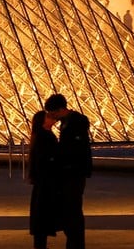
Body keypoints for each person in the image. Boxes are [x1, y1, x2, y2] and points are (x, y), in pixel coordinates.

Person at [45, 94, 91, 249]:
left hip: (74, 173)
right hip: (72, 172)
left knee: (73, 210)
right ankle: (74, 242)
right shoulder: (68, 121)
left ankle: (76, 244)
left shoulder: (76, 121)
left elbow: (75, 148)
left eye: (53, 113)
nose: (52, 117)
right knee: (71, 210)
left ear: (60, 109)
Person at [28, 110, 60, 249]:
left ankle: (40, 244)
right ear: (42, 121)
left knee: (42, 217)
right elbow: (46, 159)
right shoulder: (44, 136)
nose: (52, 117)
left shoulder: (40, 135)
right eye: (48, 116)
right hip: (46, 182)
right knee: (43, 216)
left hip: (43, 182)